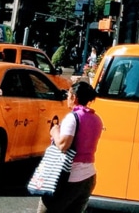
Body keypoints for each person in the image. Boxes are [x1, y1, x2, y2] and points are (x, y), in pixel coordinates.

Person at [37, 79, 103, 213]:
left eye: (68, 96)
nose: (67, 98)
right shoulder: (96, 119)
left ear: (74, 97)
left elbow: (63, 145)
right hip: (88, 177)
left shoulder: (73, 118)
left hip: (69, 178)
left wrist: (55, 131)